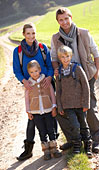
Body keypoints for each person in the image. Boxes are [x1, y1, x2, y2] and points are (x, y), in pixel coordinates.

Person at [50, 7, 99, 153]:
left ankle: (94, 141)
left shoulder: (83, 33)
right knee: (65, 111)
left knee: (90, 108)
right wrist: (56, 71)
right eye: (61, 19)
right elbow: (54, 57)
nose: (64, 22)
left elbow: (96, 53)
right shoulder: (55, 38)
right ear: (58, 21)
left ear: (71, 17)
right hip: (67, 80)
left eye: (66, 18)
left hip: (86, 76)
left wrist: (96, 73)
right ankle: (74, 140)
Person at [13, 23, 58, 161]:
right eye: (28, 33)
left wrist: (49, 77)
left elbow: (50, 66)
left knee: (51, 115)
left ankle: (54, 145)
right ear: (23, 34)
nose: (31, 36)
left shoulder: (43, 48)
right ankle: (28, 149)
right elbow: (17, 70)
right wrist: (23, 81)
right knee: (33, 118)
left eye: (33, 33)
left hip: (46, 85)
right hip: (32, 88)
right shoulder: (18, 51)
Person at [56, 45, 92, 158]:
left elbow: (86, 86)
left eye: (67, 56)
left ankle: (88, 145)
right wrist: (60, 107)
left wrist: (86, 103)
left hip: (80, 104)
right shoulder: (59, 73)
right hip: (67, 106)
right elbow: (59, 90)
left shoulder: (77, 69)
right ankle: (77, 144)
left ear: (71, 56)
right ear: (59, 58)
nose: (65, 59)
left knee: (83, 125)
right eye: (63, 57)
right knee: (74, 125)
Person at [24, 60, 61, 160]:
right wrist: (28, 111)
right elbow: (27, 98)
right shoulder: (29, 84)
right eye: (31, 72)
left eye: (36, 71)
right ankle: (46, 151)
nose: (34, 74)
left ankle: (54, 148)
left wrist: (54, 106)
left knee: (51, 129)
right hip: (36, 112)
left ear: (39, 70)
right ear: (28, 73)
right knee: (42, 131)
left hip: (48, 109)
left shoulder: (46, 80)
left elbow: (52, 94)